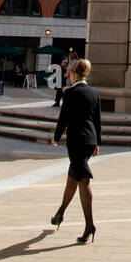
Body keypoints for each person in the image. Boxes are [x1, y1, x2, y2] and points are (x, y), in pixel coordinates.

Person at [50, 57, 101, 243]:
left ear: (73, 74)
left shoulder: (70, 93)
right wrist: (97, 143)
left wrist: (56, 137)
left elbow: (63, 119)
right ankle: (60, 213)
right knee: (73, 178)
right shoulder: (94, 92)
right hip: (89, 140)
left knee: (83, 181)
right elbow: (97, 120)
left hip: (76, 141)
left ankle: (90, 225)